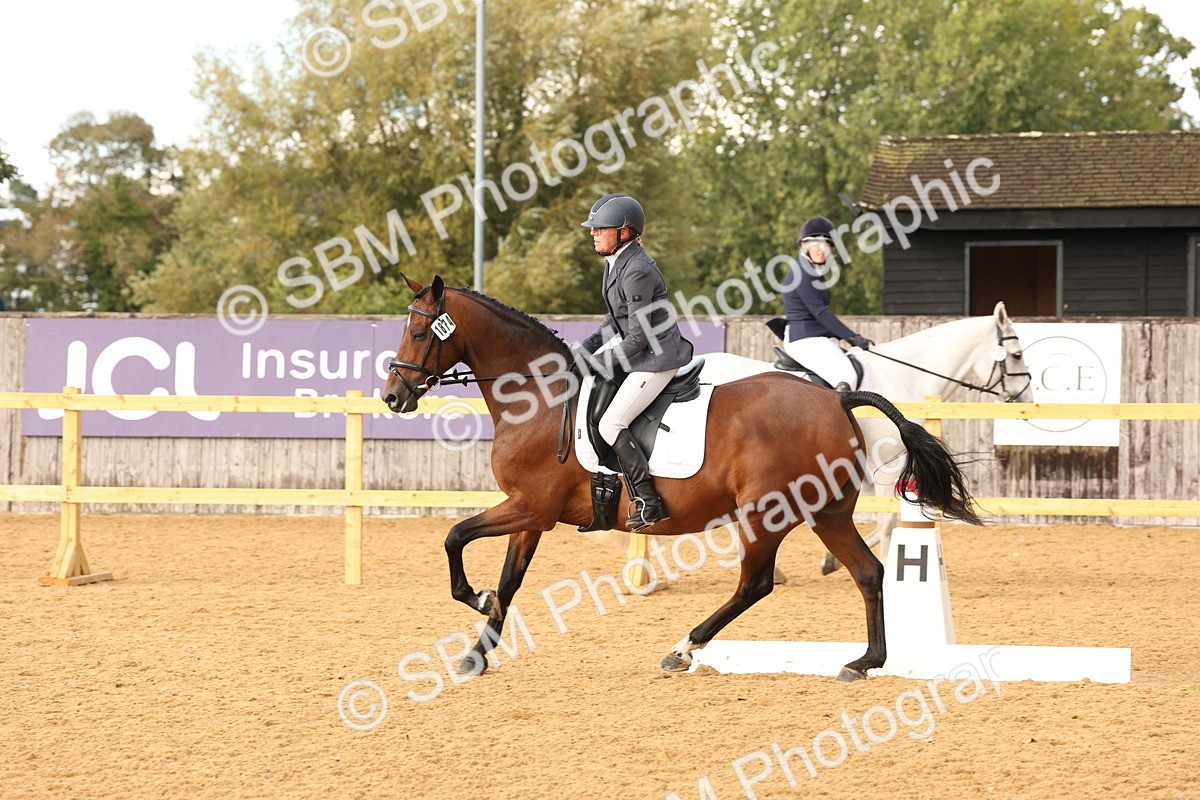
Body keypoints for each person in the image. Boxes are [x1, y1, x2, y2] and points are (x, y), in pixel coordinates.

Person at [576, 193, 694, 530]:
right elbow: (614, 320)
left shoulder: (637, 269)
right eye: (593, 228)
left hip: (657, 359)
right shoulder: (616, 264)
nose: (593, 232)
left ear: (624, 232)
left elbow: (638, 338)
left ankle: (649, 500)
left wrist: (600, 362)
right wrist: (584, 351)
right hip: (639, 356)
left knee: (611, 423)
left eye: (601, 228)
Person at [781, 215, 873, 392]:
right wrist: (852, 337)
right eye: (815, 244)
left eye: (826, 245)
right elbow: (820, 312)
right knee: (848, 376)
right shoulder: (802, 272)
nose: (821, 250)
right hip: (804, 339)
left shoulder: (812, 270)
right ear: (804, 245)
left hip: (813, 337)